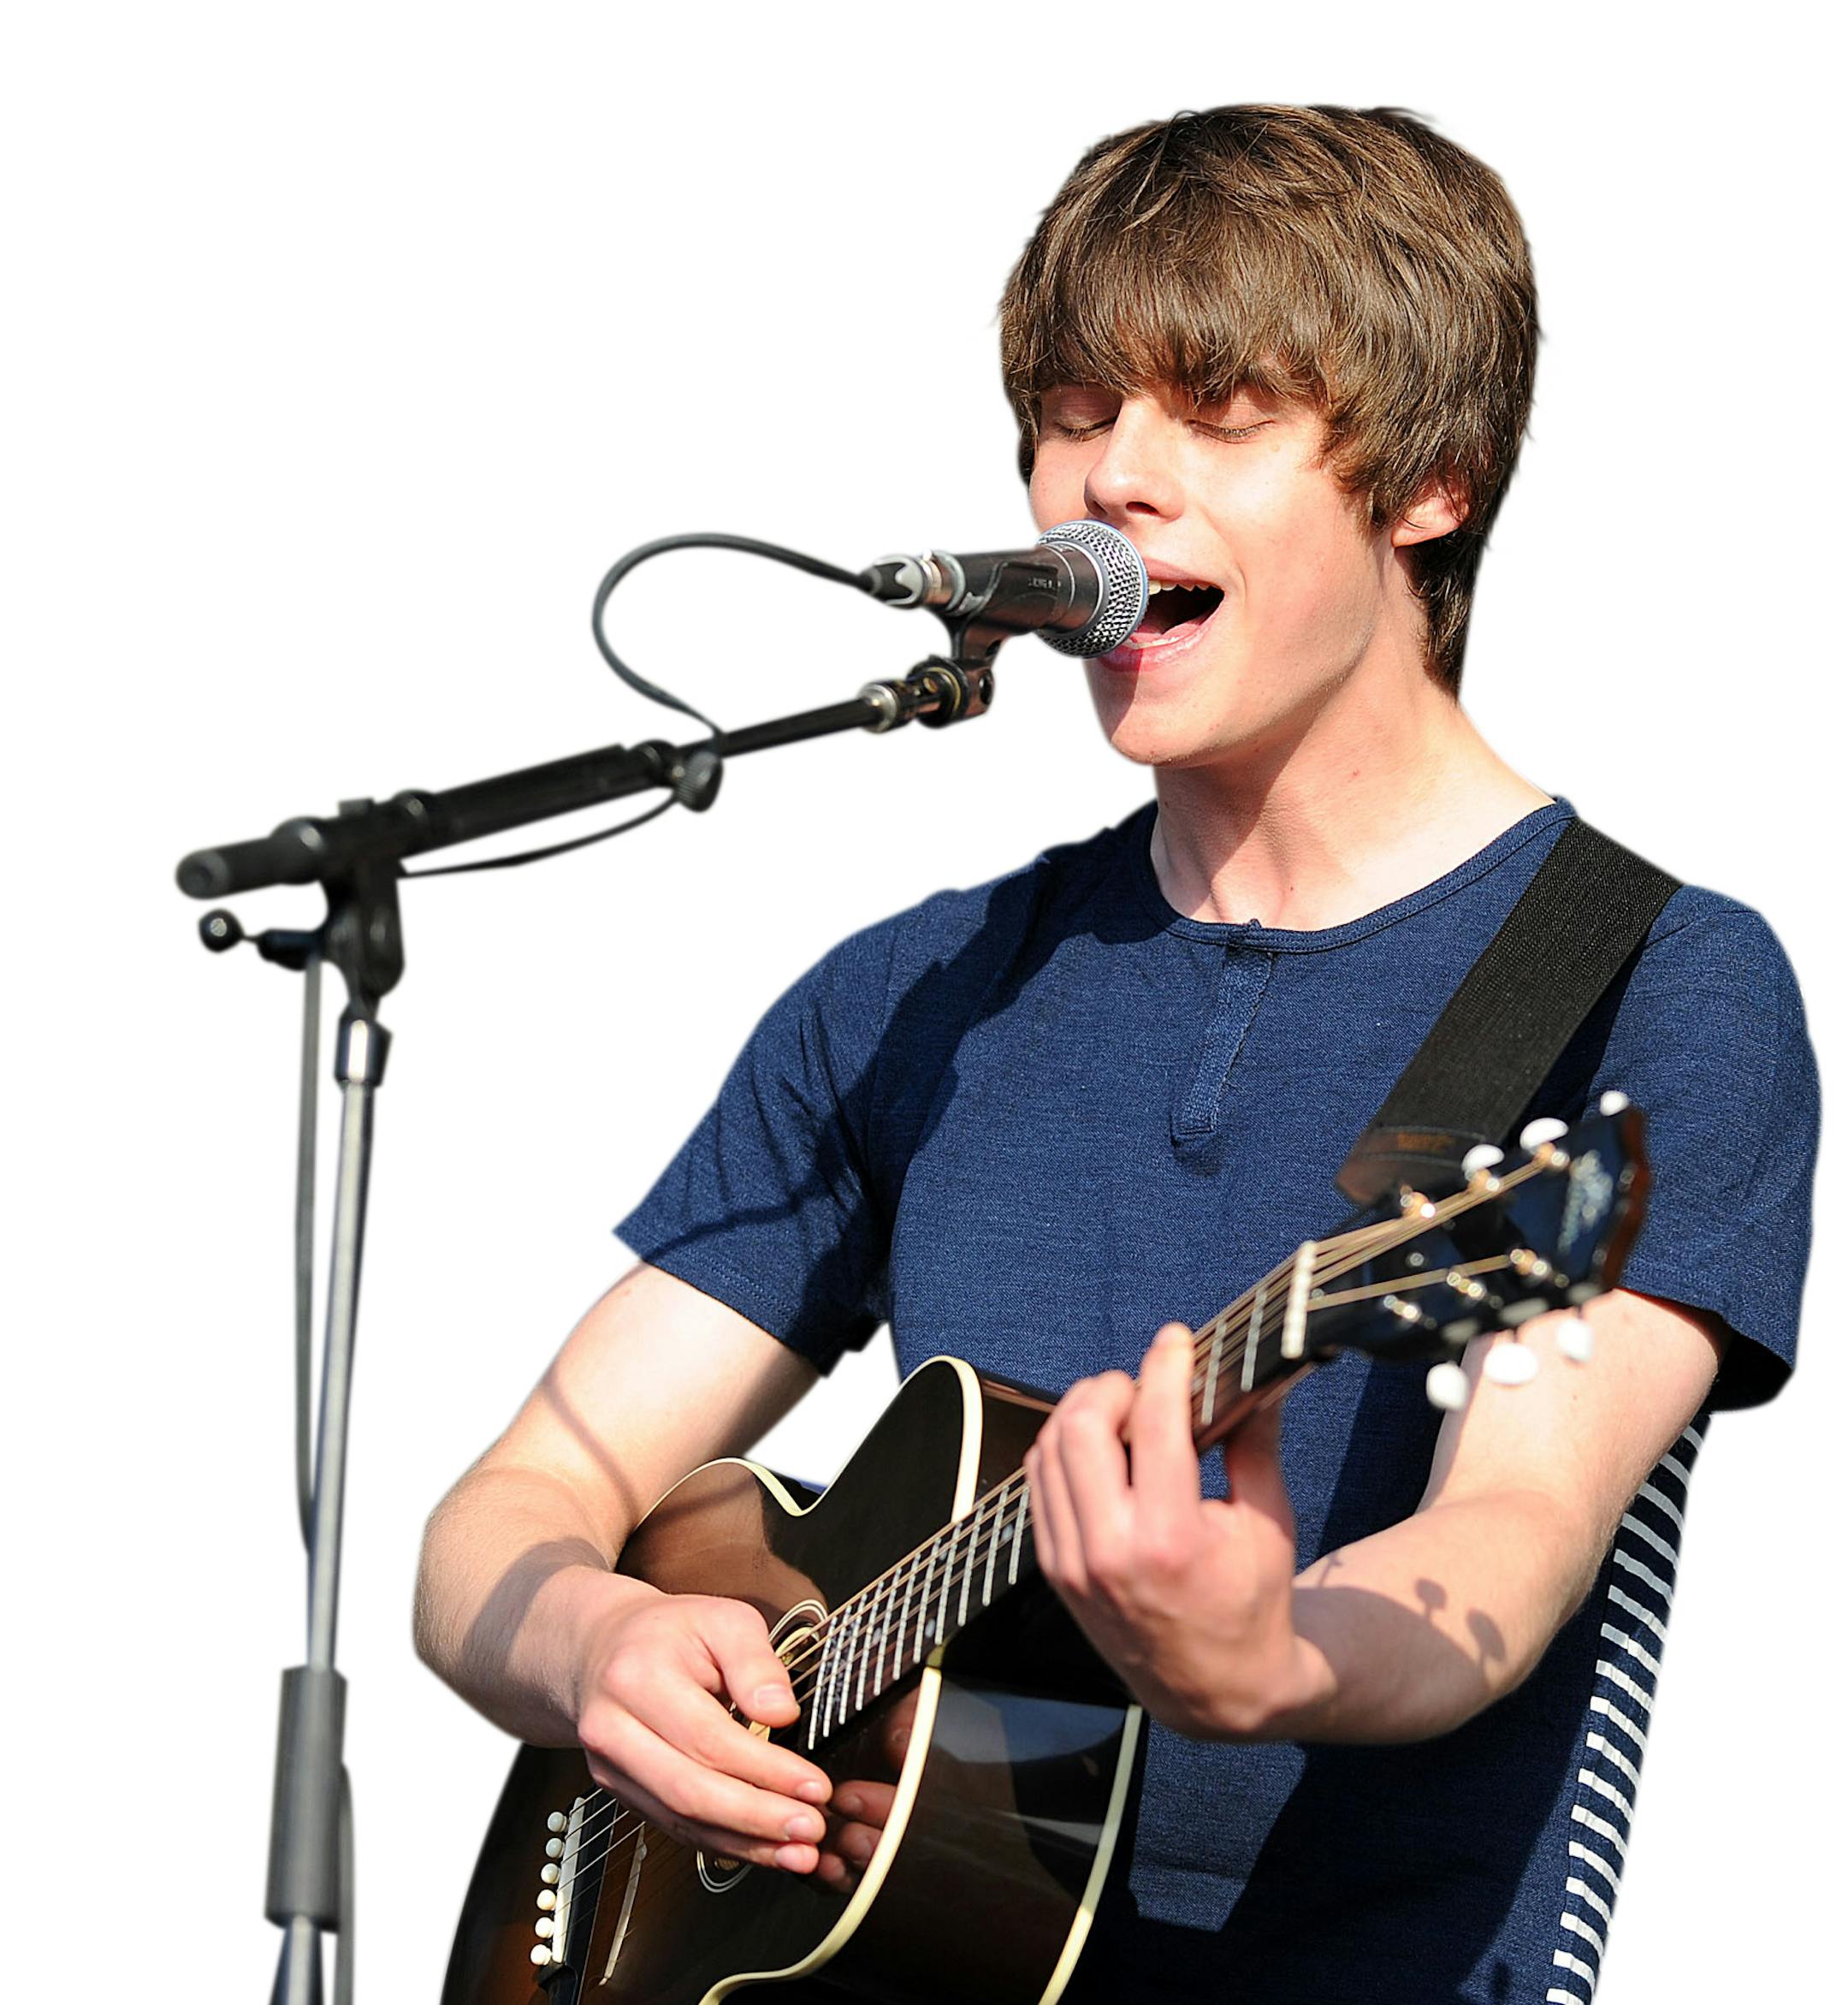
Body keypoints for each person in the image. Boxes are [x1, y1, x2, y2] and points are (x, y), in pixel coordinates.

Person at [415, 105, 1818, 2002]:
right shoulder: (917, 989)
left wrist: (1263, 1659)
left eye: (1218, 411)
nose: (1110, 480)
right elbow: (503, 1514)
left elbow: (1509, 1540)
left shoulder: (1644, 983)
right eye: (1073, 411)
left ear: (1433, 485)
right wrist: (594, 1644)